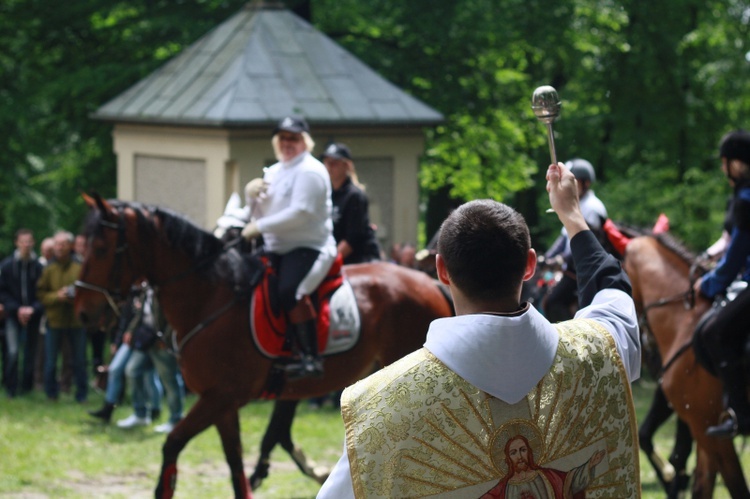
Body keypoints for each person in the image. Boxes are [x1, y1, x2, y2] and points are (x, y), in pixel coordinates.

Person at [317, 162, 641, 498]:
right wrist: (573, 218)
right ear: (530, 265)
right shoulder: (601, 353)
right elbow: (612, 290)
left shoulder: (379, 407)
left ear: (442, 270)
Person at [241, 115, 337, 378]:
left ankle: (310, 356)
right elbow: (257, 213)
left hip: (309, 245)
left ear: (305, 142)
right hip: (275, 247)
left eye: (293, 138)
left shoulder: (311, 170)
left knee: (289, 291)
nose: (287, 143)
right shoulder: (274, 171)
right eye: (283, 138)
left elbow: (300, 214)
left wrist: (259, 228)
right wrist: (250, 196)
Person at [693, 129, 750, 438]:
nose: (722, 168)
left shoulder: (746, 198)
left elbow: (737, 253)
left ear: (737, 164)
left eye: (725, 161)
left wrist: (709, 283)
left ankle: (742, 415)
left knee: (715, 331)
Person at [542, 158, 608, 321]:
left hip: (581, 270)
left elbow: (586, 243)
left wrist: (560, 259)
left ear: (585, 184)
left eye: (573, 181)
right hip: (569, 268)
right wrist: (546, 257)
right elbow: (564, 238)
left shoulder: (592, 208)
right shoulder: (575, 204)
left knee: (553, 301)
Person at [117, 284, 184, 433]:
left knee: (169, 380)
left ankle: (176, 419)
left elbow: (173, 316)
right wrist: (130, 331)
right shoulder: (147, 289)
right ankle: (140, 414)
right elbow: (140, 314)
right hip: (145, 339)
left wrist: (165, 339)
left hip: (162, 343)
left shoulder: (167, 289)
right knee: (132, 370)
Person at [37, 230, 87, 403]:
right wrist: (57, 296)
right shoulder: (48, 268)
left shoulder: (80, 266)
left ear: (70, 246)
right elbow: (41, 294)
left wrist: (74, 295)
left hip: (76, 321)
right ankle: (51, 394)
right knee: (51, 361)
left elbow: (87, 291)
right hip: (54, 320)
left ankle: (82, 394)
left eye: (63, 244)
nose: (59, 247)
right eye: (57, 244)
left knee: (79, 361)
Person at [0, 229, 44, 397]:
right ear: (17, 243)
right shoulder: (7, 265)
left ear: (33, 243)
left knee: (30, 352)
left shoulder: (39, 267)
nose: (26, 245)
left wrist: (33, 308)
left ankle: (27, 386)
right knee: (12, 351)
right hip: (13, 315)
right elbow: (2, 291)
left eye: (29, 241)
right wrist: (17, 308)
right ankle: (11, 386)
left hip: (33, 314)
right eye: (23, 241)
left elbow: (42, 292)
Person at [321, 142, 381, 264]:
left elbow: (352, 239)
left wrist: (328, 264)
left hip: (360, 261)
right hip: (339, 259)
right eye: (327, 162)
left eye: (334, 163)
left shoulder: (355, 196)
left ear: (346, 166)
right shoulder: (326, 194)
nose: (329, 167)